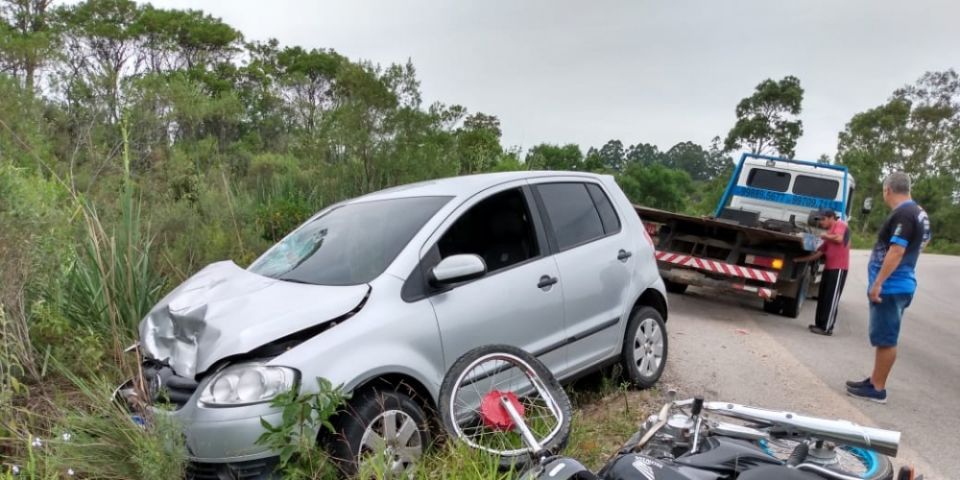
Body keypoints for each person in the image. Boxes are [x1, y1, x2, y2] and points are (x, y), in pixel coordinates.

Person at [846, 172, 931, 404]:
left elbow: (897, 250)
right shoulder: (920, 213)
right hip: (901, 282)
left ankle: (878, 389)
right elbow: (924, 241)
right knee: (884, 335)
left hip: (892, 286)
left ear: (888, 190)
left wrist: (878, 283)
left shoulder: (904, 213)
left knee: (886, 338)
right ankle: (874, 380)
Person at [795, 209, 850, 336]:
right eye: (819, 220)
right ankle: (820, 324)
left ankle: (827, 328)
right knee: (823, 297)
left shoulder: (840, 225)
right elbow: (819, 253)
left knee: (831, 298)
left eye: (822, 219)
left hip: (839, 268)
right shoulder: (829, 232)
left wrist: (823, 236)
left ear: (831, 217)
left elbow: (839, 239)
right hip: (828, 268)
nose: (820, 223)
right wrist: (799, 260)